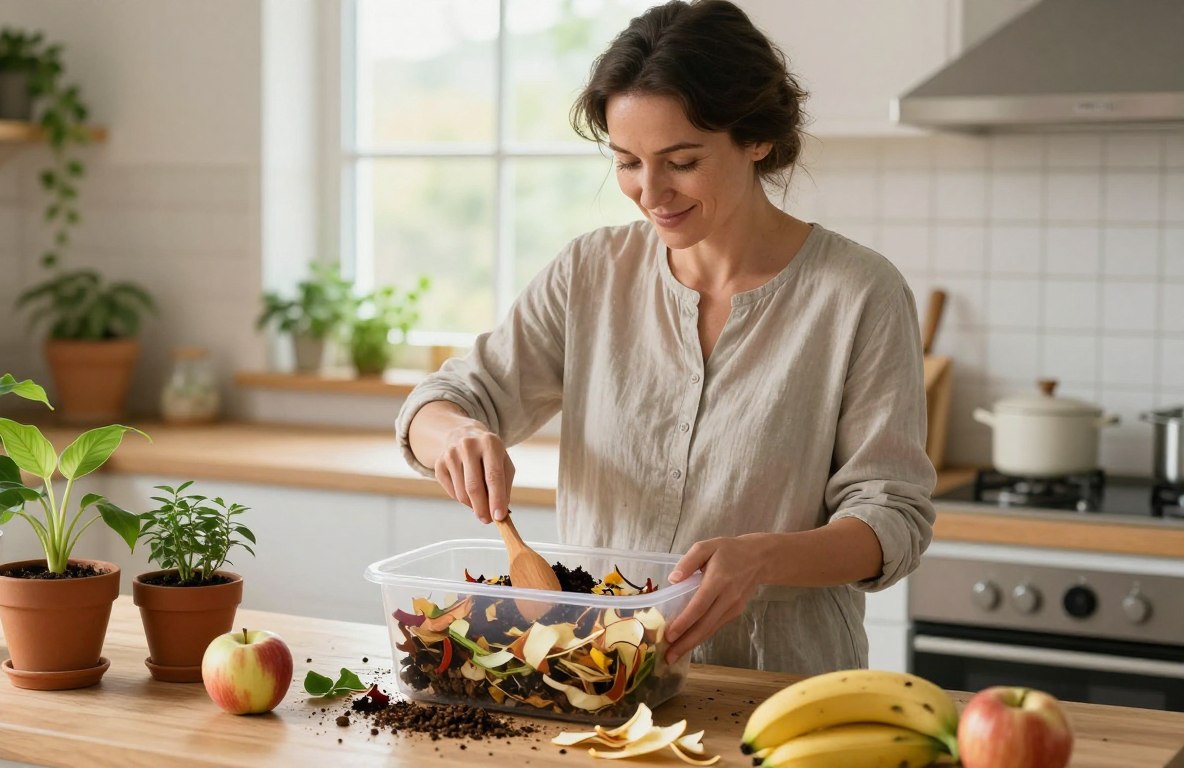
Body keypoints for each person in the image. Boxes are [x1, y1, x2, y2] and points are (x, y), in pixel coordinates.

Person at [395, 0, 935, 675]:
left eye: (681, 161)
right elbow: (444, 399)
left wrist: (763, 558)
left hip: (776, 687)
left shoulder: (858, 293)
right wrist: (457, 437)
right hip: (597, 680)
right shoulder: (590, 273)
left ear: (757, 138)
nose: (650, 192)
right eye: (626, 162)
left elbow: (893, 520)